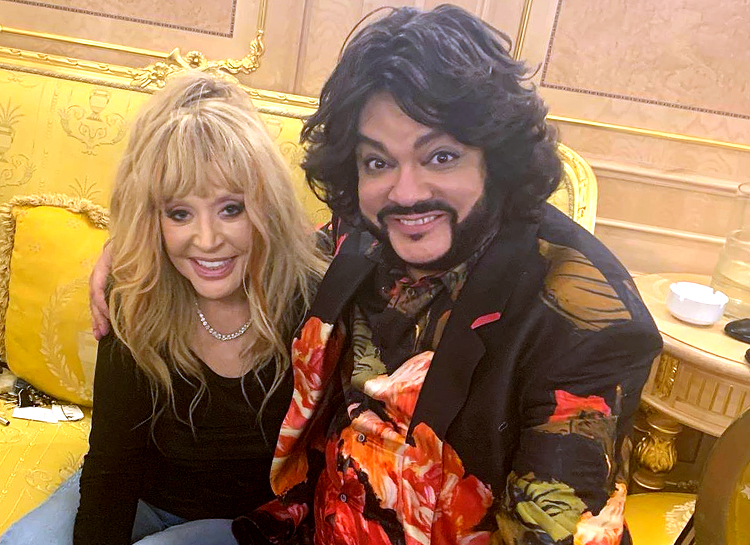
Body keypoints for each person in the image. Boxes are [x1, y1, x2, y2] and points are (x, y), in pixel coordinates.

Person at [91, 5, 662, 544]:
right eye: (378, 161)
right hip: (299, 525)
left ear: (496, 155)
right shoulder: (362, 235)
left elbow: (550, 526)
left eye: (440, 156)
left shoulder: (586, 322)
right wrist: (138, 250)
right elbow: (261, 243)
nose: (405, 193)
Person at [1, 72, 327, 545]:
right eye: (179, 213)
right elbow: (113, 466)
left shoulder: (312, 297)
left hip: (251, 517)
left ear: (266, 205)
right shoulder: (137, 291)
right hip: (143, 495)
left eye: (231, 209)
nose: (207, 240)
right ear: (153, 219)